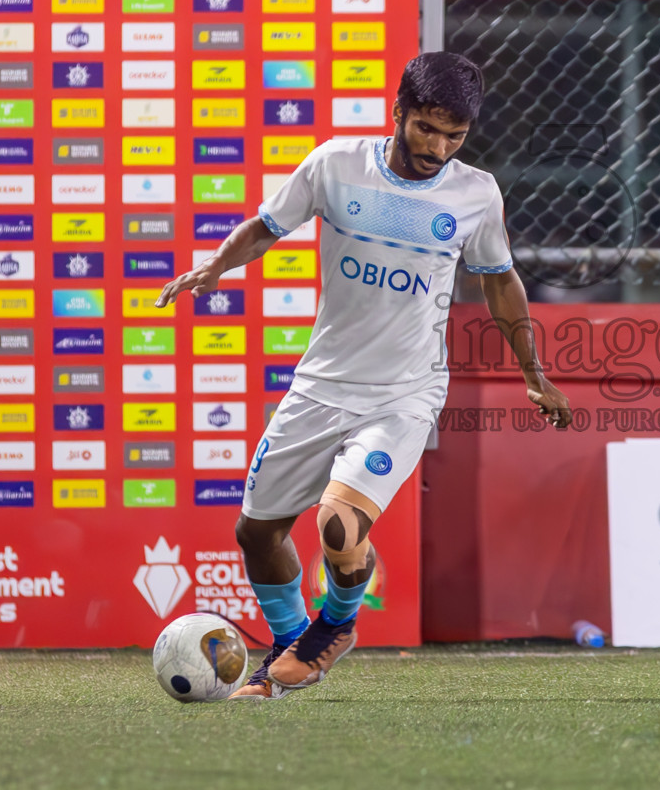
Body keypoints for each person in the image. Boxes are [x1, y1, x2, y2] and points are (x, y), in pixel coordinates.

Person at [156, 52, 572, 700]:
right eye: (426, 128)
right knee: (257, 532)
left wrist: (534, 373)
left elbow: (499, 281)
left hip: (405, 392)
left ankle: (335, 629)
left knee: (337, 524)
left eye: (454, 136)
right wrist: (215, 267)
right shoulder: (335, 165)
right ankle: (296, 640)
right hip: (322, 383)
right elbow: (268, 227)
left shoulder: (474, 193)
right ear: (398, 111)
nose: (437, 148)